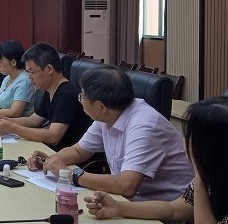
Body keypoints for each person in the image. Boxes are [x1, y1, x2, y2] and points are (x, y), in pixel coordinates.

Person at [84, 97, 228, 224]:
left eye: (190, 137)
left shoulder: (204, 177)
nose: (184, 142)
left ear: (210, 147)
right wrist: (118, 208)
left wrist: (199, 172)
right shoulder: (214, 176)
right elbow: (173, 209)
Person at [29, 66, 193, 201]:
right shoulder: (108, 115)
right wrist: (51, 161)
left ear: (100, 106)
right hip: (130, 202)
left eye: (82, 97)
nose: (80, 100)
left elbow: (127, 186)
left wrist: (70, 175)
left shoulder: (143, 126)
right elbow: (79, 151)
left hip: (169, 216)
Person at [0, 42, 91, 151]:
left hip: (68, 155)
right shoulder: (50, 89)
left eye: (31, 72)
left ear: (49, 69)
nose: (29, 77)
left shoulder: (66, 94)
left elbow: (53, 137)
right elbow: (33, 121)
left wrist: (13, 128)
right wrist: (1, 119)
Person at [0, 40, 35, 118]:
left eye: (0, 62)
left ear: (13, 62)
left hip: (14, 123)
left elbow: (14, 112)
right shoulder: (8, 77)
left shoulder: (24, 81)